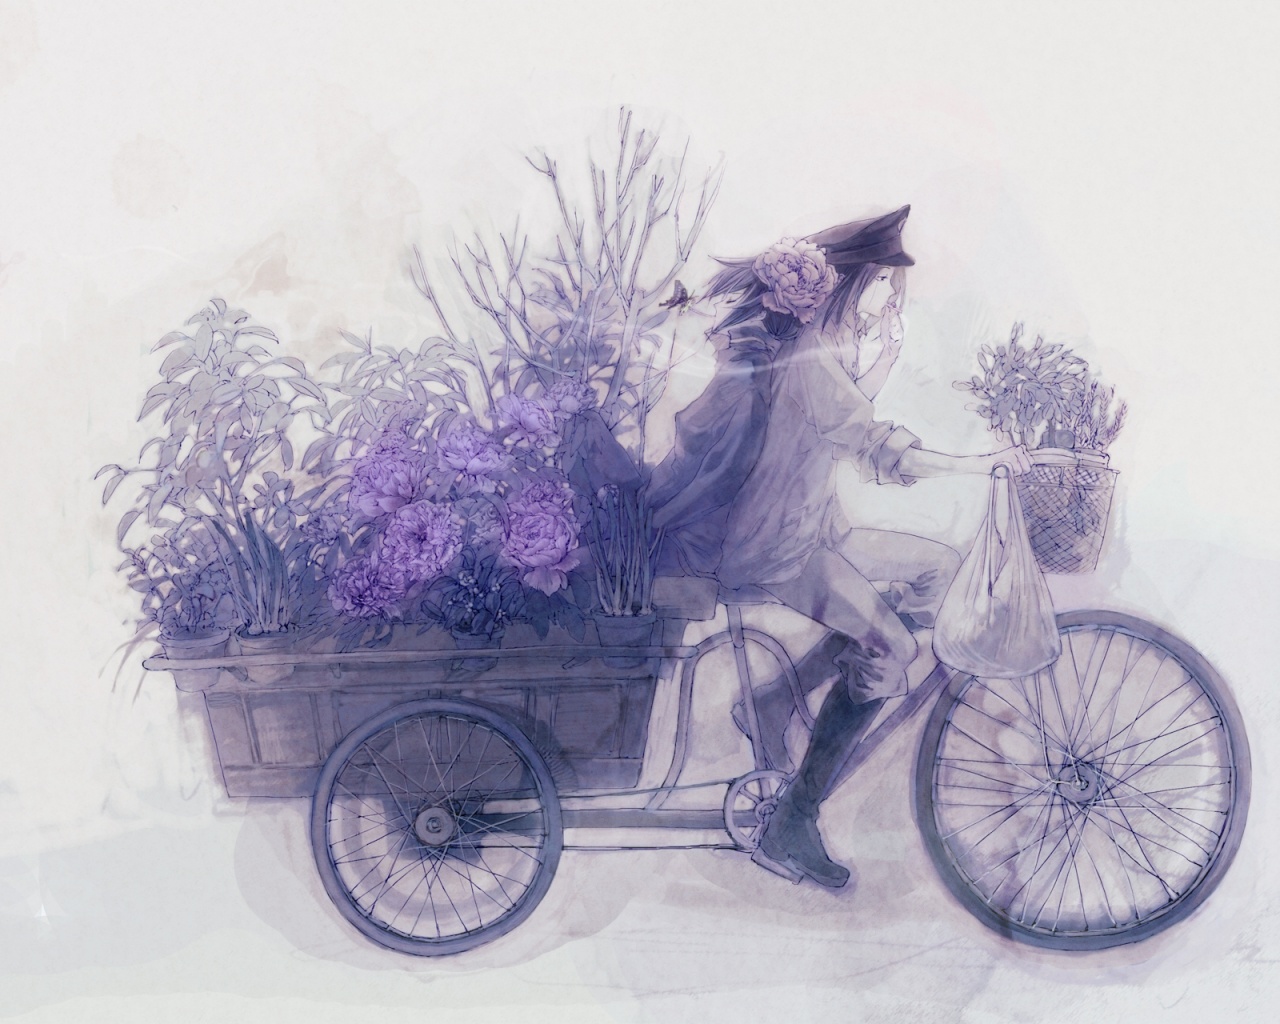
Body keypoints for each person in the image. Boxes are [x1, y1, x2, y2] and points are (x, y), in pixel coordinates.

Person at [648, 206, 1030, 890]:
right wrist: (982, 464)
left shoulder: (815, 350)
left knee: (940, 570)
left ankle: (776, 700)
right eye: (885, 282)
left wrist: (885, 355)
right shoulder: (811, 357)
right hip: (779, 548)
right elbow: (871, 441)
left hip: (817, 531)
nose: (893, 297)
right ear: (854, 280)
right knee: (894, 648)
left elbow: (838, 414)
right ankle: (793, 820)